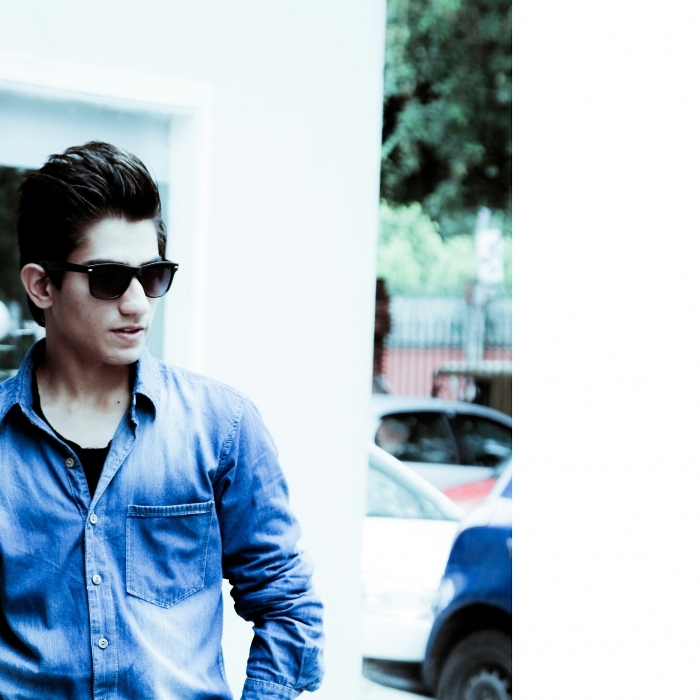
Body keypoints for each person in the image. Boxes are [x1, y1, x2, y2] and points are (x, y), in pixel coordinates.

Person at [0, 141, 324, 699]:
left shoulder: (221, 427)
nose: (137, 304)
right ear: (42, 285)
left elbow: (287, 603)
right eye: (108, 278)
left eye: (152, 276)